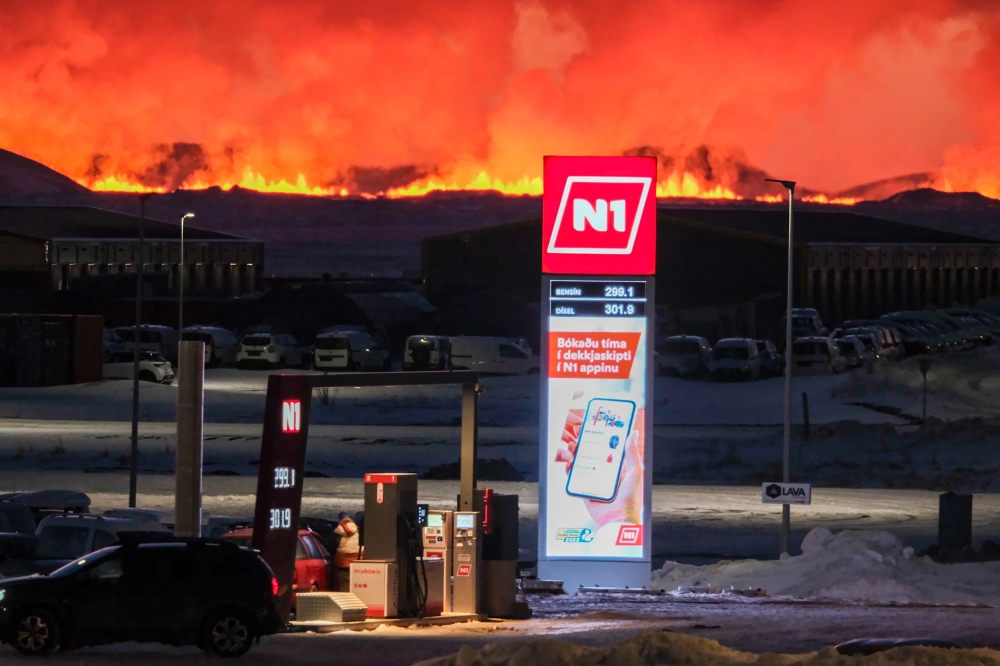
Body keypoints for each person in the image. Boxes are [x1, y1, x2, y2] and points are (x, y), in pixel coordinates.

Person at [333, 512, 360, 592]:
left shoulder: (338, 532)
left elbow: (331, 546)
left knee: (344, 588)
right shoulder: (358, 530)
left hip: (343, 564)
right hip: (358, 562)